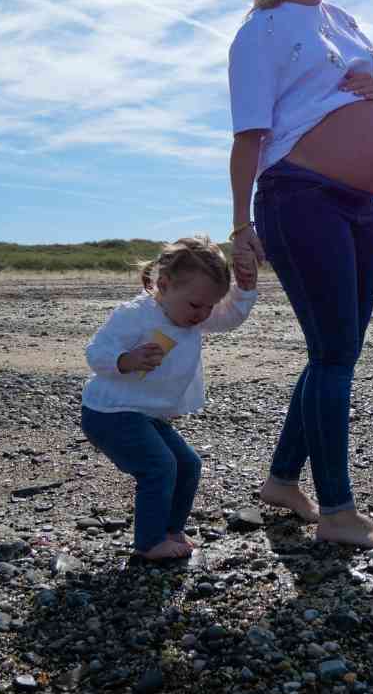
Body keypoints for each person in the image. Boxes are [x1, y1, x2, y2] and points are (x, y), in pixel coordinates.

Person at [227, 0, 373, 551]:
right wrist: (242, 225)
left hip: (360, 205)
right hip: (297, 196)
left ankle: (281, 481)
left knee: (339, 353)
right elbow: (249, 135)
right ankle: (337, 511)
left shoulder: (346, 21)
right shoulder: (262, 30)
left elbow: (358, 86)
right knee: (333, 355)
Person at [80, 236, 257, 560]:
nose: (203, 314)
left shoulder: (190, 314)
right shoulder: (135, 315)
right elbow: (95, 352)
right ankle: (149, 543)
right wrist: (125, 360)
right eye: (196, 305)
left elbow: (230, 317)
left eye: (209, 306)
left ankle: (171, 530)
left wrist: (244, 290)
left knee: (188, 465)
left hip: (146, 414)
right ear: (163, 285)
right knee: (159, 466)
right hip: (110, 412)